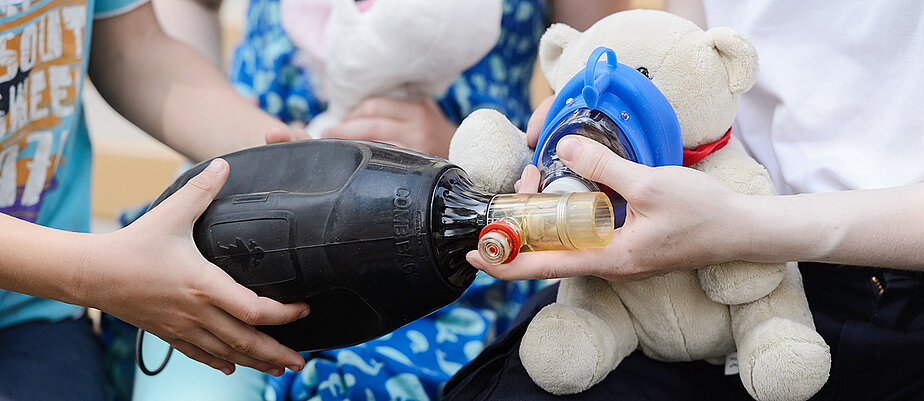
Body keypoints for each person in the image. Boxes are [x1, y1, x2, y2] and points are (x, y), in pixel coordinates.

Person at [132, 1, 633, 401]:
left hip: (452, 229)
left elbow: (602, 82)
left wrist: (472, 150)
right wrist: (235, 150)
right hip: (251, 196)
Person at [446, 1, 924, 400]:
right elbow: (677, 39)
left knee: (786, 363)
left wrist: (747, 226)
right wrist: (582, 110)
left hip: (889, 292)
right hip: (662, 235)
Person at [0, 0, 314, 399]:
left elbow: (132, 46)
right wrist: (94, 273)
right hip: (69, 278)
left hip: (34, 312)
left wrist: (280, 155)